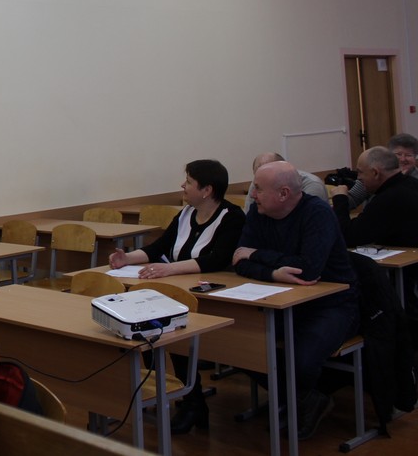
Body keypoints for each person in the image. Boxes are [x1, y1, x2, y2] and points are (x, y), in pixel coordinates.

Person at [108, 159, 245, 434]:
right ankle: (178, 395)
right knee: (154, 332)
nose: (183, 186)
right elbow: (159, 246)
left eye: (189, 182)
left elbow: (217, 259)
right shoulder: (185, 214)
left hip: (214, 293)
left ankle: (192, 401)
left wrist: (169, 268)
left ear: (207, 190)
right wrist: (127, 259)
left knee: (179, 337)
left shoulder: (232, 216)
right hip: (177, 290)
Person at [233, 161, 358, 441]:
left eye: (258, 189)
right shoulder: (258, 212)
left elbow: (308, 269)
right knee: (237, 343)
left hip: (331, 304)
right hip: (281, 300)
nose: (252, 195)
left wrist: (257, 255)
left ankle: (299, 398)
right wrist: (274, 272)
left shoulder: (317, 214)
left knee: (302, 359)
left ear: (284, 193)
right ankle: (305, 398)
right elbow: (239, 261)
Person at [331, 146, 418, 247]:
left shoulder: (389, 198)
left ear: (375, 173)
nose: (358, 178)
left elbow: (347, 237)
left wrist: (340, 198)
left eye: (360, 172)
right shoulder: (412, 183)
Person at [343, 133, 418, 209]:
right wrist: (340, 197)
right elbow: (352, 199)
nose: (403, 159)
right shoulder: (372, 176)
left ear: (415, 158)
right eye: (398, 154)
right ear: (389, 156)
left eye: (408, 155)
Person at [243, 152, 328, 212]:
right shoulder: (258, 181)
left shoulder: (312, 185)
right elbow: (249, 215)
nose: (253, 195)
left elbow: (304, 217)